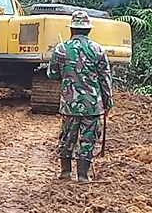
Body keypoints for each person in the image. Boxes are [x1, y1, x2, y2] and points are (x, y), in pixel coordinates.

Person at [47, 10, 113, 183]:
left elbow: (52, 74)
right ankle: (83, 175)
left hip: (70, 104)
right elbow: (105, 79)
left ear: (72, 30)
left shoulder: (61, 49)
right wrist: (108, 102)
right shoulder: (98, 50)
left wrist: (67, 73)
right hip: (92, 104)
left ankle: (65, 172)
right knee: (88, 138)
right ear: (88, 30)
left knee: (68, 137)